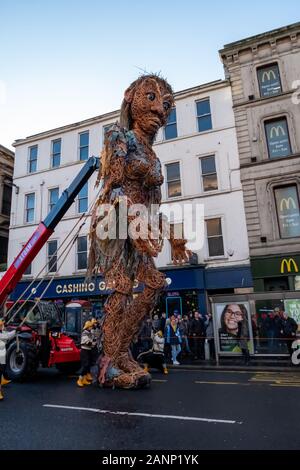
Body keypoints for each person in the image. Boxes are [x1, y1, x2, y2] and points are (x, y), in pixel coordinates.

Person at [88, 74, 191, 389]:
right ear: (130, 96)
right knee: (120, 287)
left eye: (166, 105)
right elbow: (115, 180)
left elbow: (153, 206)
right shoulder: (119, 135)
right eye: (151, 98)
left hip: (141, 225)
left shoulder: (154, 155)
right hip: (117, 222)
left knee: (154, 284)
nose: (160, 110)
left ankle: (120, 351)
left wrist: (172, 237)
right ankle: (110, 360)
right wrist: (140, 173)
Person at [0, 318, 16, 401]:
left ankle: (2, 379)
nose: (2, 326)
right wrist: (15, 331)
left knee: (1, 370)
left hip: (2, 355)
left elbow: (5, 333)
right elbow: (6, 336)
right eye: (1, 325)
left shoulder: (1, 331)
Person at [77, 320, 95, 387]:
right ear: (88, 327)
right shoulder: (85, 333)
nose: (91, 327)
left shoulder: (89, 332)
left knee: (88, 365)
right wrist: (92, 343)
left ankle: (84, 379)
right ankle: (80, 379)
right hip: (84, 351)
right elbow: (88, 342)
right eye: (90, 326)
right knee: (86, 365)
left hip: (88, 350)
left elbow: (92, 342)